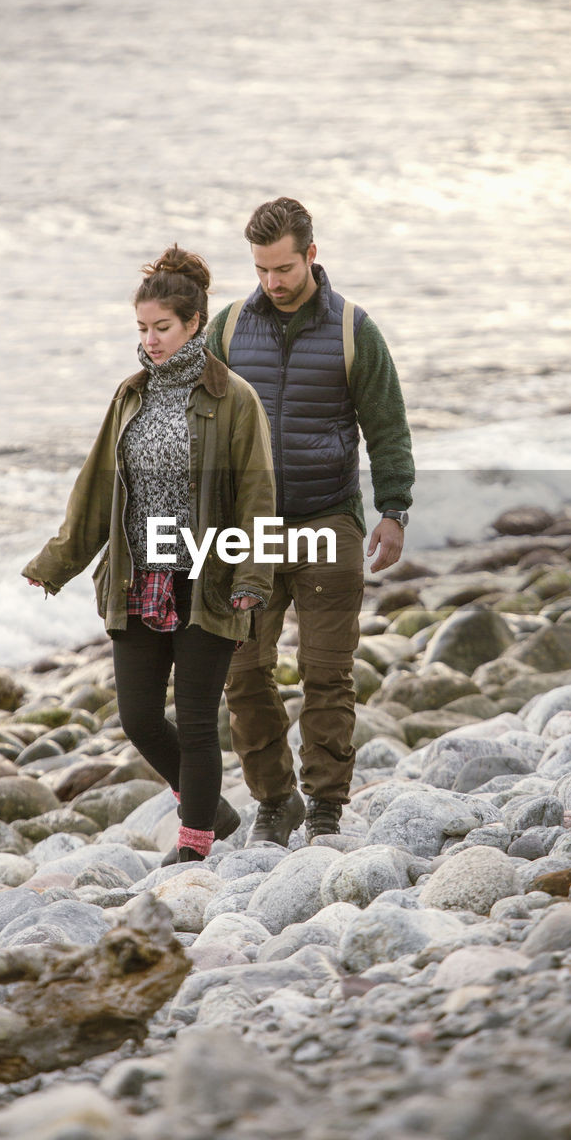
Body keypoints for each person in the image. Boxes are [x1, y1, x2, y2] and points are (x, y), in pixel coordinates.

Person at [23, 247, 275, 863]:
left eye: (162, 327)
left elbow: (257, 494)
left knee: (194, 721)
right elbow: (94, 486)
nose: (151, 340)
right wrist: (57, 561)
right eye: (142, 328)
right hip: (139, 575)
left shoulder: (233, 398)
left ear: (193, 324)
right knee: (137, 716)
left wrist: (252, 578)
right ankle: (210, 809)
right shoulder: (129, 395)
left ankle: (193, 846)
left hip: (207, 578)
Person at [206, 198, 415, 846]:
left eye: (284, 268)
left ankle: (324, 805)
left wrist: (393, 510)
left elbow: (386, 426)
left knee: (326, 673)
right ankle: (275, 801)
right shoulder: (230, 326)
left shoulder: (354, 329)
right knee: (242, 675)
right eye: (262, 269)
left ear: (311, 256)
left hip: (329, 521)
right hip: (248, 534)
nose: (273, 281)